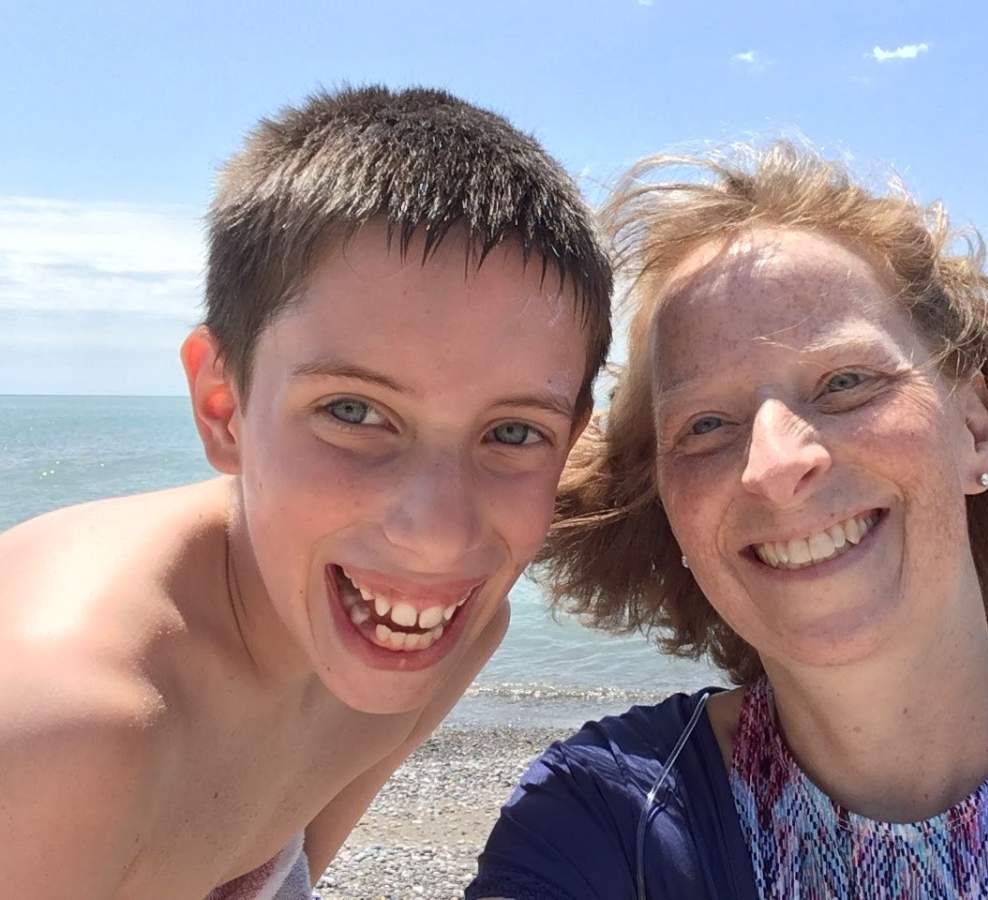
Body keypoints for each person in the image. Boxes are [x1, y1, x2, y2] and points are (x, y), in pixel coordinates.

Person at [467, 143, 988, 899]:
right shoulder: (605, 819)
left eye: (845, 382)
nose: (776, 465)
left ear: (975, 430)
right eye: (706, 425)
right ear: (670, 510)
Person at [0, 85, 611, 898]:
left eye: (512, 431)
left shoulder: (444, 628)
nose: (438, 536)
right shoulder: (63, 734)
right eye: (353, 412)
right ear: (223, 406)